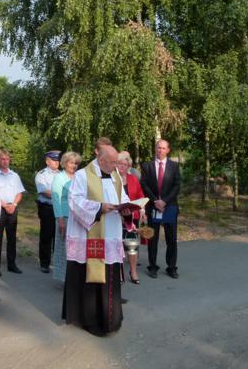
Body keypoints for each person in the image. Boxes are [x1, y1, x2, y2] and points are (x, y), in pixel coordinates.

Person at [63, 138, 133, 336]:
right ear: (101, 160)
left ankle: (111, 319)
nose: (117, 165)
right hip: (90, 235)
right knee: (91, 279)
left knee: (110, 275)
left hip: (111, 233)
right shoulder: (82, 175)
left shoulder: (115, 175)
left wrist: (128, 207)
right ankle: (91, 320)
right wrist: (99, 207)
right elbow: (74, 201)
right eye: (113, 162)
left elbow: (122, 198)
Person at [140, 139, 181, 279]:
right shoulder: (147, 166)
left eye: (163, 148)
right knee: (153, 238)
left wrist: (164, 201)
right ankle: (152, 267)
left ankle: (171, 267)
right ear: (155, 149)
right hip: (153, 206)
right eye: (158, 147)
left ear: (168, 150)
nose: (161, 150)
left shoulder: (174, 166)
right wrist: (155, 201)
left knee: (171, 239)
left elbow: (177, 185)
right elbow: (144, 184)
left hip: (170, 207)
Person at [0, 149, 26, 275]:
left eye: (7, 159)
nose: (5, 161)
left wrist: (14, 205)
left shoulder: (15, 176)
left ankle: (12, 265)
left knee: (12, 238)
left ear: (9, 160)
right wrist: (5, 205)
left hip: (13, 208)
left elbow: (19, 193)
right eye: (2, 159)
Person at [51, 151, 82, 284]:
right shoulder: (59, 178)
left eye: (76, 163)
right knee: (63, 248)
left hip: (77, 218)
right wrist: (60, 219)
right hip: (64, 217)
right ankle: (63, 278)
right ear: (65, 163)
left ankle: (74, 277)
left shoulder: (79, 177)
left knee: (75, 249)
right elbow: (56, 199)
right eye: (71, 162)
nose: (74, 165)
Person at [117, 152, 146, 284]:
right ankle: (119, 272)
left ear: (128, 166)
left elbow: (140, 195)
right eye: (120, 164)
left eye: (125, 164)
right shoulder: (111, 179)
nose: (122, 166)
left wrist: (142, 210)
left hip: (132, 218)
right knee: (118, 245)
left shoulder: (133, 179)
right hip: (116, 218)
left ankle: (133, 271)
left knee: (132, 245)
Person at [34, 150, 61, 273]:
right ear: (47, 161)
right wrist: (61, 195)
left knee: (59, 236)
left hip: (60, 209)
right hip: (47, 208)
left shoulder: (62, 174)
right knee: (46, 236)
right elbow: (44, 191)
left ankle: (58, 263)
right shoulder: (42, 175)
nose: (57, 162)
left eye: (58, 160)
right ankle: (44, 263)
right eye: (54, 160)